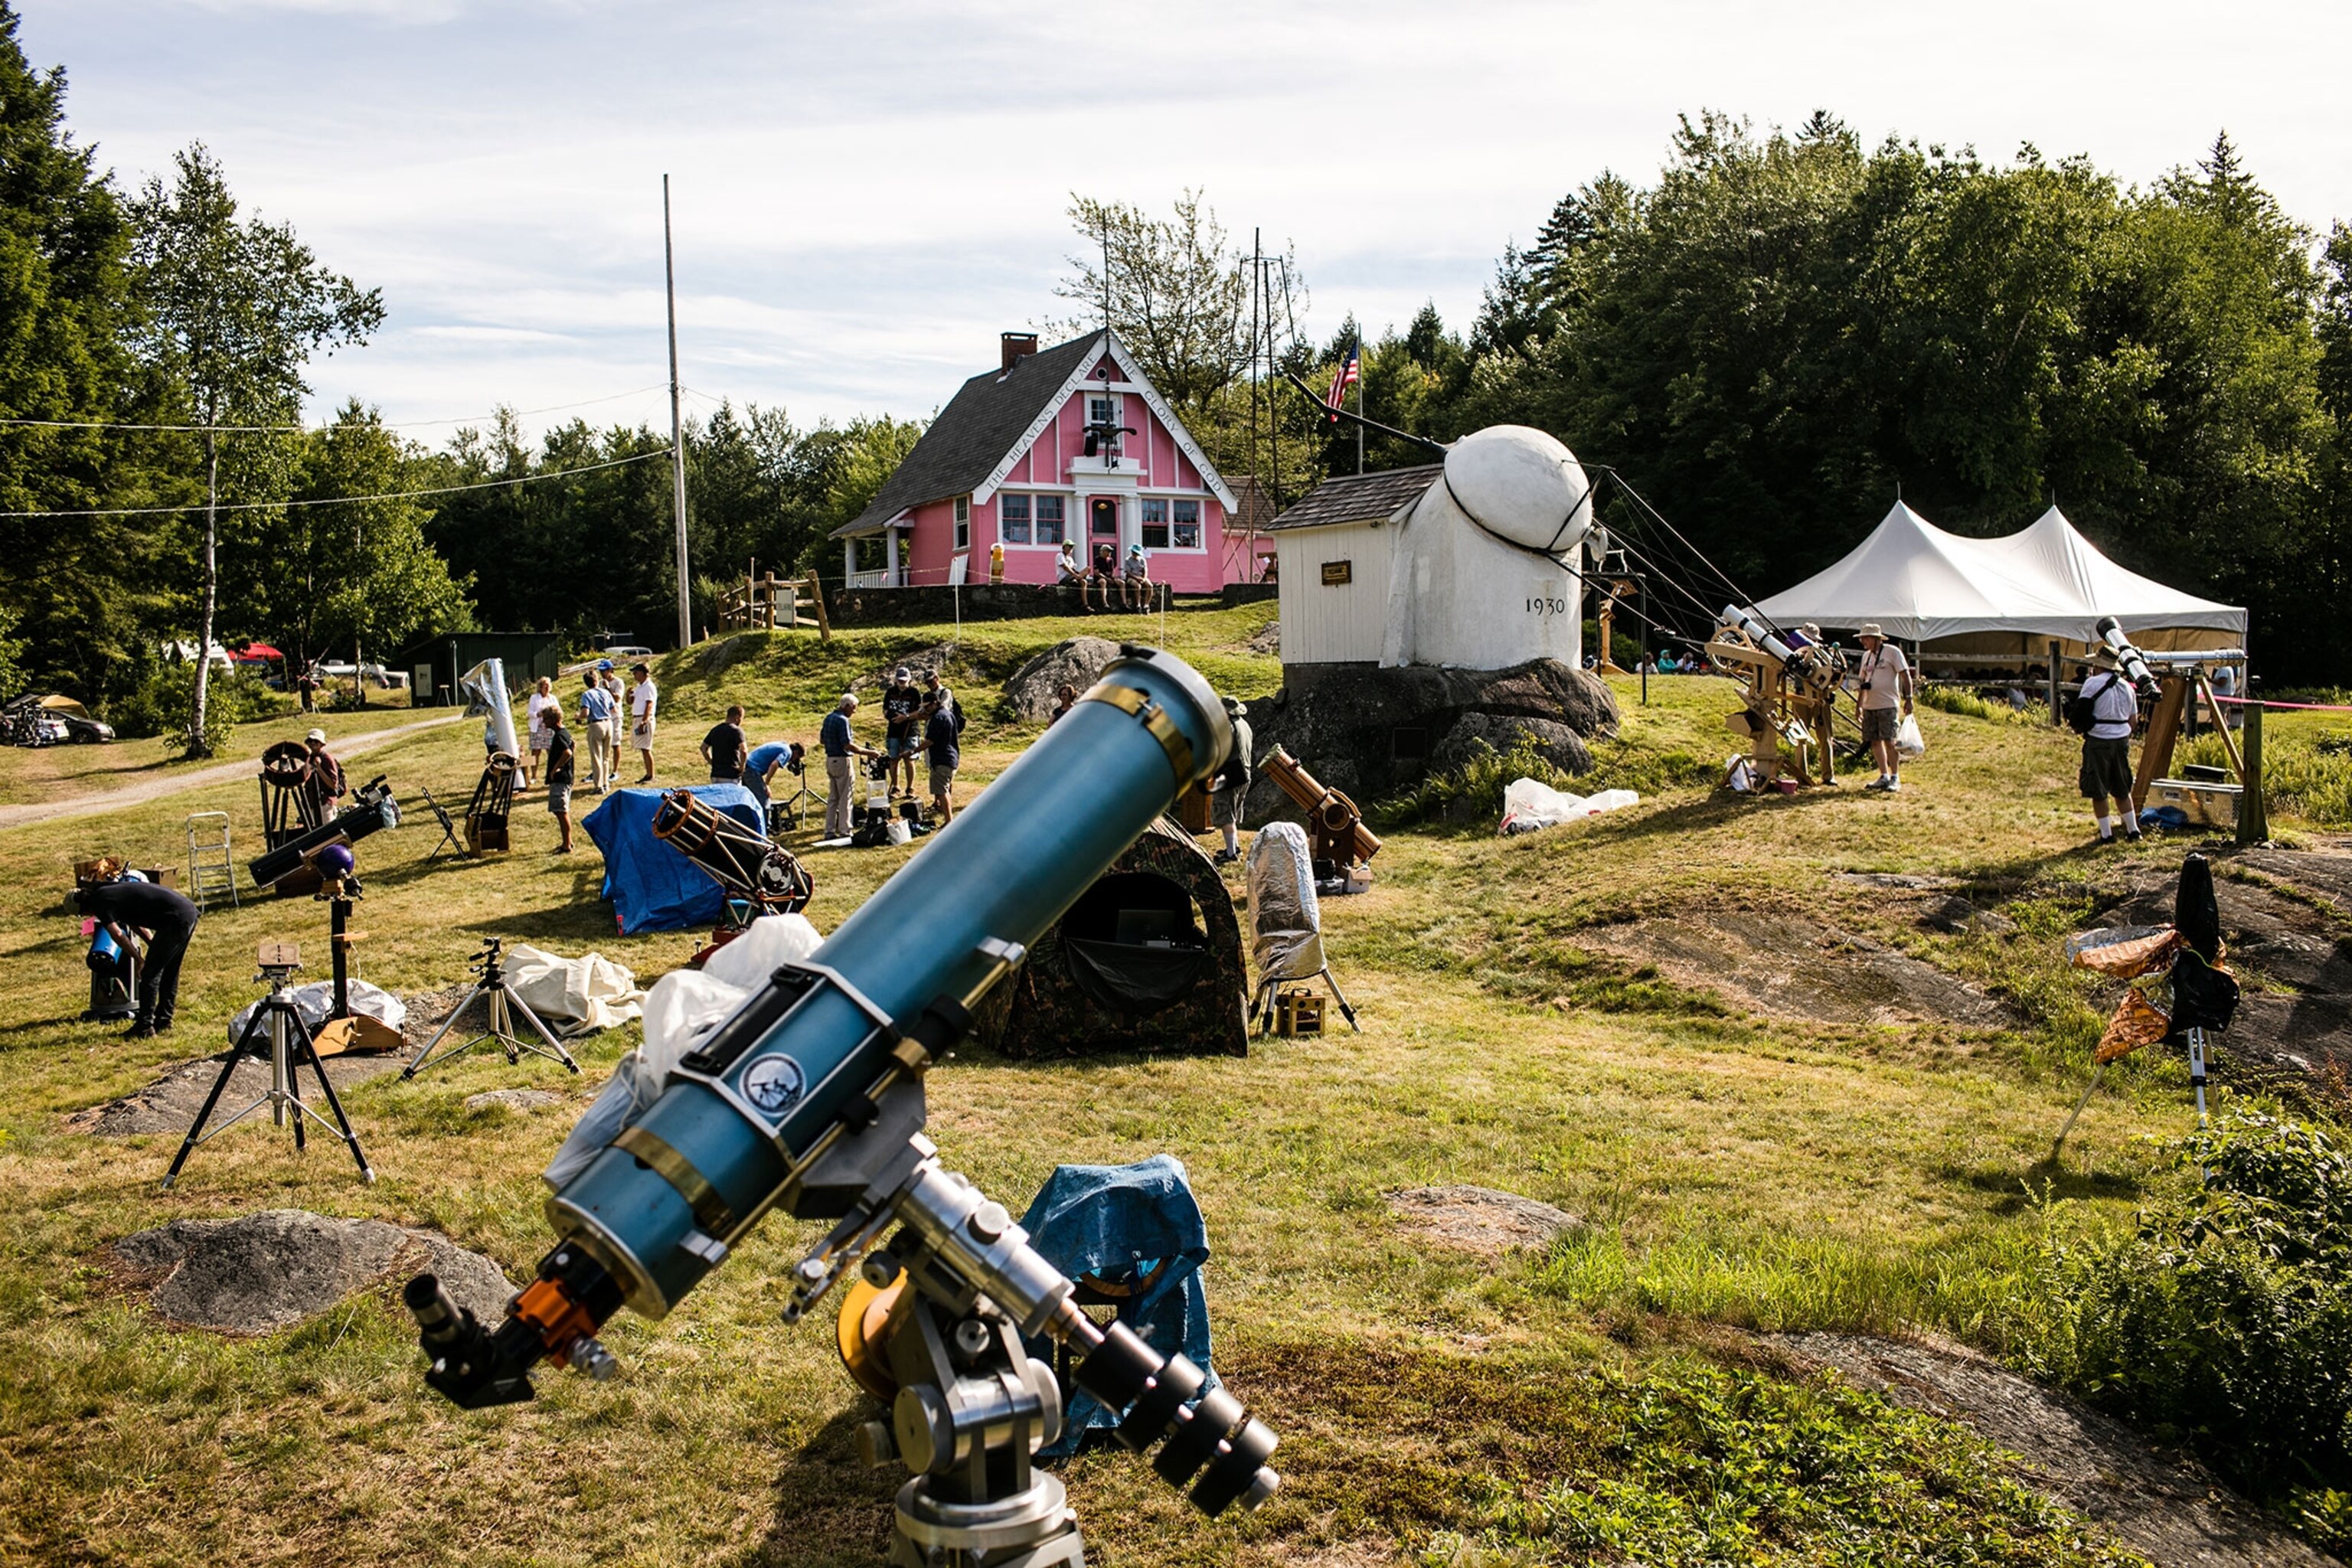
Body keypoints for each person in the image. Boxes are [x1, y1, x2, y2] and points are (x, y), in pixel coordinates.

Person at [74, 875, 200, 1039]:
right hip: (186, 911)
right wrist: (153, 945)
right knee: (170, 970)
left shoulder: (99, 902)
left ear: (83, 908)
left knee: (149, 974)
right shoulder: (108, 892)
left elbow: (118, 936)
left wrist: (139, 960)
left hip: (175, 919)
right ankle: (164, 1020)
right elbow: (134, 923)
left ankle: (144, 1027)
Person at [2079, 653, 2142, 844]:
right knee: (2122, 787)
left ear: (2098, 666)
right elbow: (2133, 720)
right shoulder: (2127, 687)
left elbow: (2081, 712)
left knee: (2098, 788)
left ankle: (2106, 834)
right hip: (2121, 738)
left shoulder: (2092, 684)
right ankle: (2133, 830)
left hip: (2099, 738)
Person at [1854, 622, 1915, 793]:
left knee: (1890, 741)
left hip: (1888, 704)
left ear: (1876, 639)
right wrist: (1859, 705)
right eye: (1862, 638)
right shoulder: (1866, 656)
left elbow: (1905, 675)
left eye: (1866, 638)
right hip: (1870, 705)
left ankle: (1895, 776)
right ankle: (1883, 775)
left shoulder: (1892, 652)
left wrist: (1909, 698)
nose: (1863, 641)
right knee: (1874, 741)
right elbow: (1863, 682)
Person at [820, 693, 880, 838]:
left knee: (833, 798)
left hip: (830, 759)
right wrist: (869, 753)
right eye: (853, 707)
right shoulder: (843, 720)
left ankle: (829, 830)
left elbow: (822, 740)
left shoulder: (828, 717)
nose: (854, 711)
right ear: (846, 706)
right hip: (842, 760)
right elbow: (847, 745)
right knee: (846, 797)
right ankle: (845, 830)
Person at [1209, 694, 1252, 864]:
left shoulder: (1227, 727)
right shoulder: (1245, 725)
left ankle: (1231, 853)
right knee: (1233, 814)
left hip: (1230, 774)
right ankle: (1234, 848)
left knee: (1225, 813)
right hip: (1245, 773)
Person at [921, 672, 961, 824]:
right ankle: (946, 816)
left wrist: (912, 751)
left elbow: (930, 741)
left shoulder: (939, 717)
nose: (925, 710)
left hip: (943, 758)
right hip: (949, 756)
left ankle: (949, 821)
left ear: (933, 704)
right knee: (943, 788)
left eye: (927, 707)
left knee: (943, 791)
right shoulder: (947, 715)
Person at [880, 665, 922, 799]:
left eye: (904, 680)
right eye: (900, 680)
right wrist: (892, 717)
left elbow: (920, 712)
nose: (902, 683)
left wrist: (906, 717)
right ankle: (896, 787)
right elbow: (885, 709)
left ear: (909, 679)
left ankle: (910, 788)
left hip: (910, 730)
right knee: (894, 759)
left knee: (909, 759)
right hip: (894, 730)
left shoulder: (914, 693)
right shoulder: (890, 692)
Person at [541, 705, 577, 852]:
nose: (543, 722)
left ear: (553, 719)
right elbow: (572, 746)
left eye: (545, 719)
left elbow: (567, 752)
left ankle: (566, 844)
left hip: (561, 779)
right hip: (565, 778)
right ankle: (569, 842)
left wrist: (555, 768)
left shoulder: (559, 735)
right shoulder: (564, 733)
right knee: (559, 811)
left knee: (561, 812)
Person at [577, 667, 618, 792]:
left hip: (596, 724)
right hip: (608, 723)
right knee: (606, 757)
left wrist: (578, 716)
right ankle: (606, 783)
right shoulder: (605, 692)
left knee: (596, 757)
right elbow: (614, 709)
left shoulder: (587, 695)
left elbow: (585, 712)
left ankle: (598, 786)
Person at [524, 675, 559, 787]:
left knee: (551, 752)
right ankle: (534, 776)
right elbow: (530, 713)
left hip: (549, 728)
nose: (547, 688)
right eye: (545, 686)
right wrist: (538, 714)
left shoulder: (553, 698)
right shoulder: (534, 698)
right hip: (537, 728)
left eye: (549, 685)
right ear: (541, 687)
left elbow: (558, 710)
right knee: (535, 752)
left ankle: (551, 774)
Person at [701, 704, 749, 783]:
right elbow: (744, 750)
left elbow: (703, 747)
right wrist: (742, 767)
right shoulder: (737, 731)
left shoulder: (715, 730)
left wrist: (711, 762)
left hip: (716, 774)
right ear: (737, 718)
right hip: (731, 775)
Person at [744, 736, 795, 808]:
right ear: (796, 752)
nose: (793, 761)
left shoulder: (782, 745)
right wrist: (767, 784)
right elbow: (774, 764)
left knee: (746, 797)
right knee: (764, 799)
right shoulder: (788, 752)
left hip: (745, 766)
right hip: (752, 770)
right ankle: (765, 816)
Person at [629, 662, 658, 783]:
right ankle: (648, 774)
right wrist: (628, 694)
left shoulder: (649, 687)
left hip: (644, 718)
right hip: (637, 718)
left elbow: (649, 704)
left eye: (636, 672)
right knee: (643, 748)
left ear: (643, 673)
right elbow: (630, 702)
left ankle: (651, 775)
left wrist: (644, 721)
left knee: (646, 748)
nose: (634, 675)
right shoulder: (639, 687)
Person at [302, 727, 346, 806]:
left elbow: (333, 784)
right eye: (310, 741)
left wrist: (319, 768)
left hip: (326, 803)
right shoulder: (309, 758)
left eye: (316, 741)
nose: (313, 743)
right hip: (312, 802)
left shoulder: (327, 759)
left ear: (321, 744)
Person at [1121, 544, 1152, 609]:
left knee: (1150, 586)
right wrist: (1137, 578)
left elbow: (1145, 570)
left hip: (1141, 576)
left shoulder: (1142, 560)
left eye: (1136, 553)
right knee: (1138, 586)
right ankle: (1138, 604)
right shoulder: (1128, 560)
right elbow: (1128, 573)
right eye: (1133, 552)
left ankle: (1146, 604)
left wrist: (1144, 578)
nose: (1135, 554)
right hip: (1132, 577)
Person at [1056, 539, 1085, 605]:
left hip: (1072, 577)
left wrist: (1077, 574)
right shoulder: (1060, 555)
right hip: (1064, 578)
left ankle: (1085, 603)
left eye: (1072, 547)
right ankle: (1079, 577)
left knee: (1084, 580)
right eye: (1070, 546)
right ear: (1065, 547)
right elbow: (1065, 567)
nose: (1071, 548)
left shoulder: (1070, 559)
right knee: (1080, 576)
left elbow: (1073, 569)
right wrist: (1075, 575)